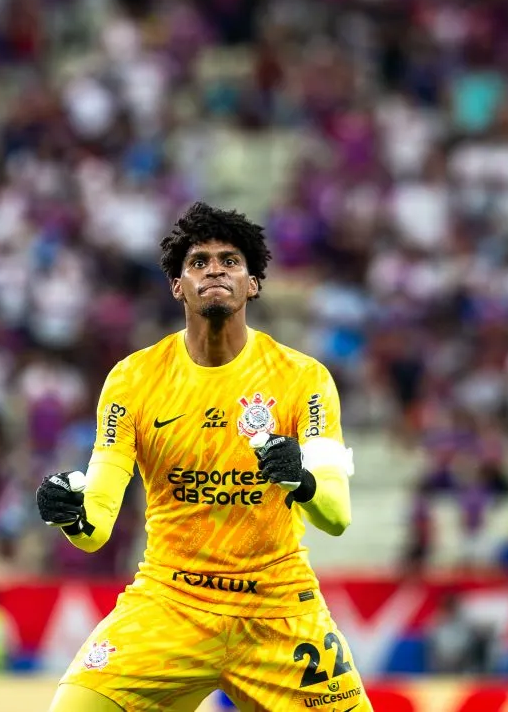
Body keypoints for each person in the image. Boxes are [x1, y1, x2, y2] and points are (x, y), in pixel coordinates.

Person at [36, 202, 371, 711]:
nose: (215, 270)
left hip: (278, 610)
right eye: (199, 262)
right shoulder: (132, 380)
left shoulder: (304, 379)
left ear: (252, 284)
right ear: (178, 286)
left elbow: (337, 515)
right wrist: (72, 516)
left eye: (230, 261)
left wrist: (300, 479)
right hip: (171, 604)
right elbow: (96, 524)